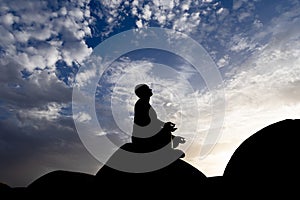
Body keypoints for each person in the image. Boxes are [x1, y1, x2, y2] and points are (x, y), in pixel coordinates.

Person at [131, 84, 185, 156]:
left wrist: (166, 126)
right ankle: (168, 152)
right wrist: (166, 128)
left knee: (166, 130)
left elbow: (154, 122)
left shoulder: (145, 104)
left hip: (146, 136)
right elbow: (147, 124)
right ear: (143, 92)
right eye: (148, 89)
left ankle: (169, 147)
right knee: (166, 130)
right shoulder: (141, 104)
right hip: (143, 139)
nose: (150, 89)